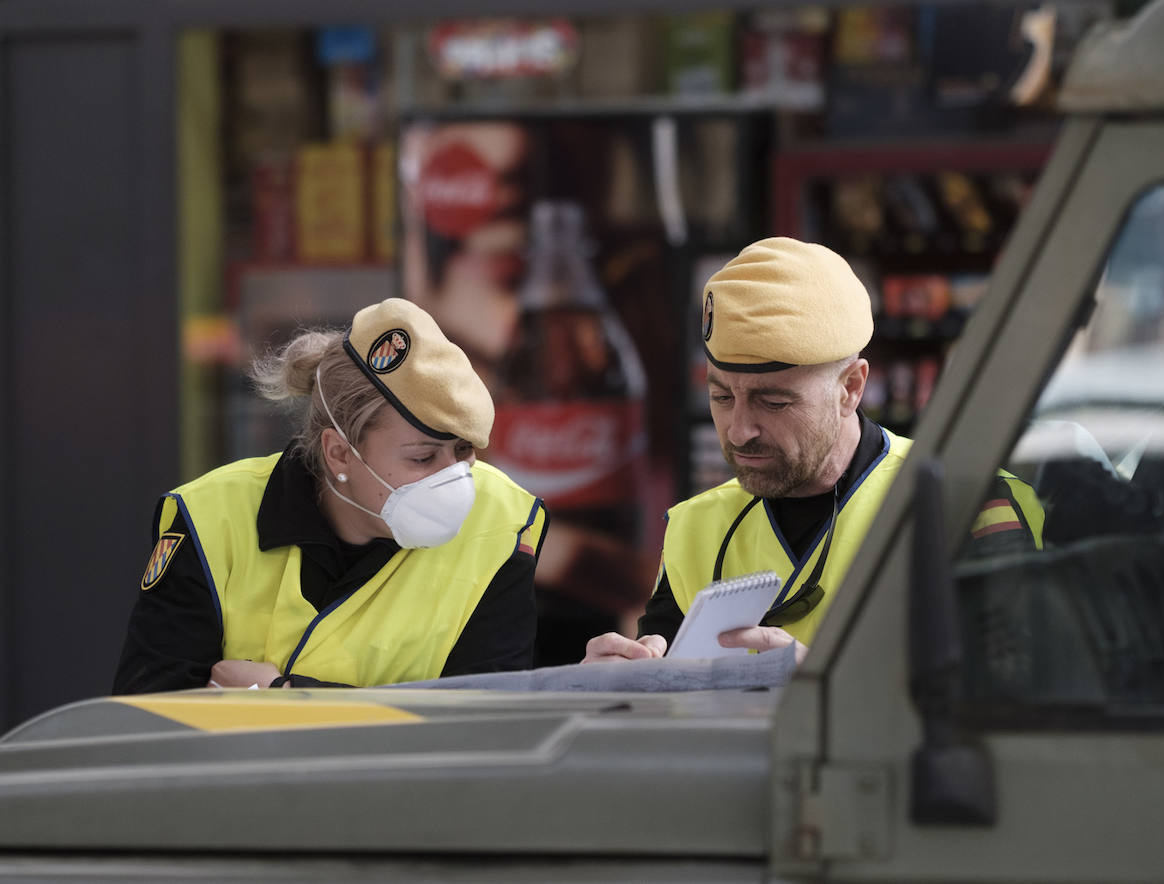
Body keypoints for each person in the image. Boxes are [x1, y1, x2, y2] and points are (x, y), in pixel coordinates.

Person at [583, 237, 1042, 665]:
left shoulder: (970, 502)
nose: (740, 430)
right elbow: (662, 690)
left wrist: (826, 690)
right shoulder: (693, 528)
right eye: (722, 397)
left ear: (852, 388)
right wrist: (625, 683)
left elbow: (1018, 689)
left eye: (774, 401)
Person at [113, 298, 548, 693]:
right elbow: (148, 719)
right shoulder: (210, 518)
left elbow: (483, 729)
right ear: (339, 453)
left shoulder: (504, 523)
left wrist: (286, 695)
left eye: (463, 451)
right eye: (423, 457)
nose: (453, 478)